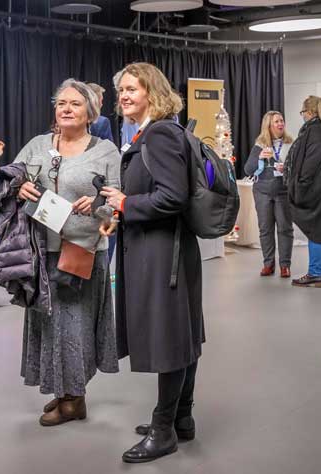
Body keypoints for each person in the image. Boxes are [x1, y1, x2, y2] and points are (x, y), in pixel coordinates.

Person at [100, 62, 204, 463]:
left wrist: (127, 203)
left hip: (164, 255)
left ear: (152, 93)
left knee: (169, 338)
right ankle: (182, 418)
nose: (124, 96)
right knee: (181, 334)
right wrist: (122, 210)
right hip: (169, 250)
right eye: (121, 90)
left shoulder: (159, 134)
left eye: (132, 89)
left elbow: (172, 197)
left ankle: (164, 431)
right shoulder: (156, 132)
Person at [13, 78, 121, 427]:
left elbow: (116, 203)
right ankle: (63, 392)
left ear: (90, 112)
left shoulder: (104, 151)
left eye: (74, 103)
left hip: (83, 252)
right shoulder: (38, 146)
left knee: (73, 328)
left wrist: (100, 204)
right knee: (50, 326)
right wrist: (20, 187)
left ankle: (74, 400)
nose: (66, 109)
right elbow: (8, 179)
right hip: (43, 252)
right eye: (61, 103)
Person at [284, 96, 321, 288]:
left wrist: (300, 183)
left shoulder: (315, 131)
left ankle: (316, 273)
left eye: (302, 112)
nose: (302, 116)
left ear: (310, 112)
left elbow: (312, 160)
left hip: (316, 187)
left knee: (315, 229)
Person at [244, 111, 294, 278]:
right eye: (276, 122)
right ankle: (268, 264)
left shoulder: (290, 143)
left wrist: (285, 168)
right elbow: (248, 169)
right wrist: (259, 157)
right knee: (265, 229)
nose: (281, 124)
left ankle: (285, 265)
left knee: (285, 228)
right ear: (268, 126)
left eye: (282, 121)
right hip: (262, 192)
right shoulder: (259, 145)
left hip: (283, 192)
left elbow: (297, 168)